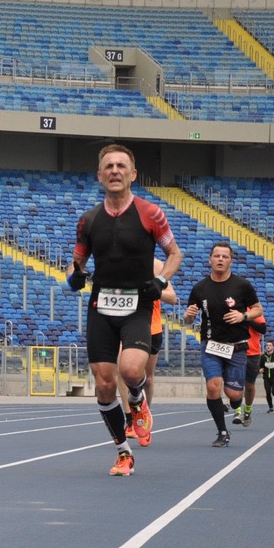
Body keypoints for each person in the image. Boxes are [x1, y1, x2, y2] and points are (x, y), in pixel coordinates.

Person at [67, 144, 182, 476]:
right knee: (104, 384)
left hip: (138, 305)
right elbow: (77, 263)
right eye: (109, 166)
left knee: (131, 371)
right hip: (101, 306)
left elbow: (175, 255)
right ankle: (123, 452)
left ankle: (137, 399)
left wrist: (161, 280)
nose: (115, 170)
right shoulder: (88, 220)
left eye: (121, 166)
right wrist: (74, 277)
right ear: (99, 176)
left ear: (133, 174)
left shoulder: (151, 213)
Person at [183, 242, 262, 447]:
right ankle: (222, 431)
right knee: (213, 386)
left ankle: (236, 403)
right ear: (210, 259)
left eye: (225, 256)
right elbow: (188, 320)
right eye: (216, 256)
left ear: (231, 261)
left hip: (237, 346)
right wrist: (188, 316)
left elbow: (258, 309)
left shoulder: (242, 286)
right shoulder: (200, 288)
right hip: (211, 345)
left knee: (234, 394)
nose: (220, 259)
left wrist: (243, 315)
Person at [119, 258, 177, 444]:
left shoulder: (156, 265)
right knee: (123, 372)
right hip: (125, 324)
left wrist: (152, 289)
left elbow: (172, 298)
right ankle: (130, 420)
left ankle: (143, 418)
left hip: (151, 327)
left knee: (148, 378)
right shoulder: (118, 260)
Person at [233, 312, 267, 427]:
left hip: (253, 354)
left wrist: (246, 318)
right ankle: (237, 411)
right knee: (234, 382)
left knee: (249, 385)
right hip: (236, 351)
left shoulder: (254, 311)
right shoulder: (233, 308)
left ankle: (247, 411)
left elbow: (263, 329)